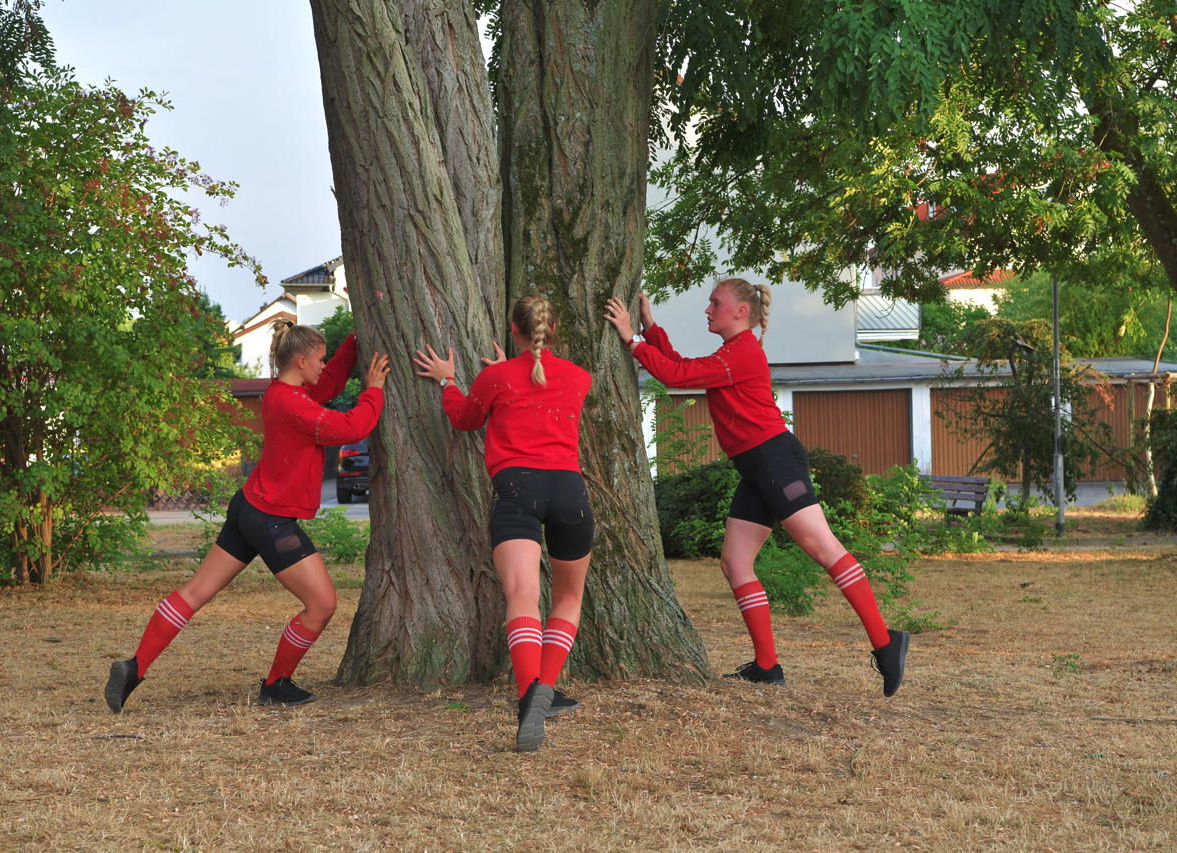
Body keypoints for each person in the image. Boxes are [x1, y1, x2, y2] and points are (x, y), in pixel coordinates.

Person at [605, 280, 909, 696]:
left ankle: (885, 642)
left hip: (775, 461)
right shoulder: (729, 354)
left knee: (824, 548)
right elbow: (680, 366)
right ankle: (767, 666)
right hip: (756, 467)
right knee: (734, 562)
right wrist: (652, 330)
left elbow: (674, 373)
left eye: (716, 303)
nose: (707, 309)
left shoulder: (742, 352)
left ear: (740, 312)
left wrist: (631, 338)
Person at [104, 320, 390, 712]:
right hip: (270, 521)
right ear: (303, 361)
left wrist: (357, 338)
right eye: (320, 359)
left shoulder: (284, 393)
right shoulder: (294, 404)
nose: (325, 366)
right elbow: (352, 425)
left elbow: (330, 385)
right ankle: (275, 684)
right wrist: (373, 391)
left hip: (249, 508)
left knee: (195, 592)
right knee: (322, 604)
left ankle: (134, 667)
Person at [412, 294, 594, 751]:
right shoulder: (579, 377)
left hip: (517, 490)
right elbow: (536, 387)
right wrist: (506, 376)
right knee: (569, 596)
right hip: (569, 491)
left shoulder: (497, 377)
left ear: (513, 330)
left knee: (522, 595)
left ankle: (528, 693)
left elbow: (464, 418)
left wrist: (448, 381)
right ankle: (546, 690)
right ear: (553, 332)